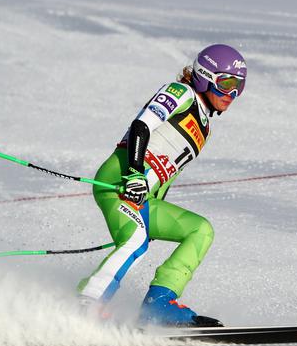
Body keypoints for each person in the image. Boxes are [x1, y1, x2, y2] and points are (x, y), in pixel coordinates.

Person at [77, 44, 247, 327]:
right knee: (134, 240)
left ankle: (159, 304)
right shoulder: (181, 93)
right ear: (206, 75)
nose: (232, 94)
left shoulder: (204, 125)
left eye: (239, 87)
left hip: (144, 195)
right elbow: (141, 126)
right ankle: (87, 301)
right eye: (227, 83)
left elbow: (167, 172)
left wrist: (149, 209)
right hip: (119, 178)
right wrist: (133, 173)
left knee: (200, 230)